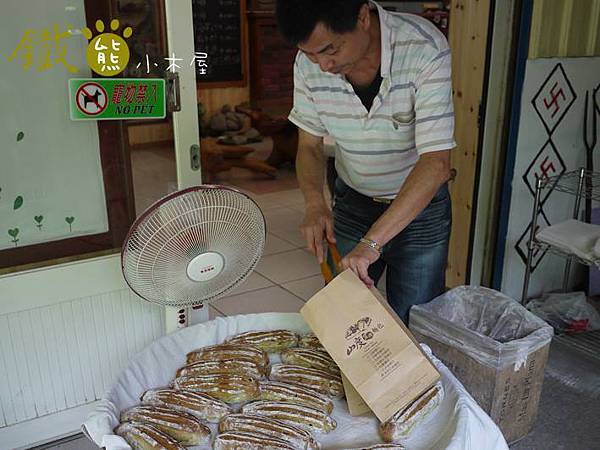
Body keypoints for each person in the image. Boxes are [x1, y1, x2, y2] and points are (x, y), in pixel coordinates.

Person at [276, 0, 455, 323]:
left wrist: (373, 242)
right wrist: (315, 203)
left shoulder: (423, 47)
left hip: (419, 211)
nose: (323, 66)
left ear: (362, 17)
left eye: (331, 50)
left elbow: (437, 162)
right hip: (353, 203)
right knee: (348, 319)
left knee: (417, 322)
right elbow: (309, 146)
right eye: (310, 54)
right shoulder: (309, 64)